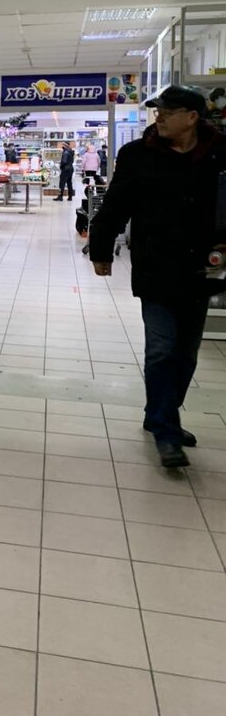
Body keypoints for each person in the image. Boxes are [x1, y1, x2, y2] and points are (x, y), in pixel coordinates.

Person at [89, 86, 226, 468]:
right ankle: (167, 430)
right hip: (157, 265)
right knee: (162, 348)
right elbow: (116, 203)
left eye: (167, 112)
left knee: (186, 353)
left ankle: (159, 413)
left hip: (203, 268)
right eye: (157, 111)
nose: (159, 117)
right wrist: (101, 249)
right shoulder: (138, 154)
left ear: (192, 117)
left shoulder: (219, 154)